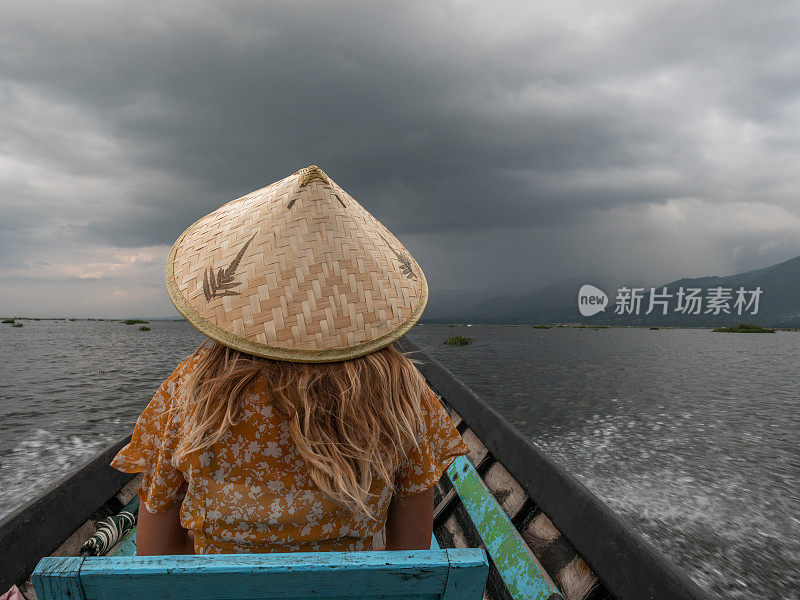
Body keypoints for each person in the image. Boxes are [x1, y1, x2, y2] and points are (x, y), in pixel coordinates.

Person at [110, 165, 469, 555]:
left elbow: (154, 556)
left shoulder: (191, 387)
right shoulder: (402, 390)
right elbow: (410, 557)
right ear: (360, 296)